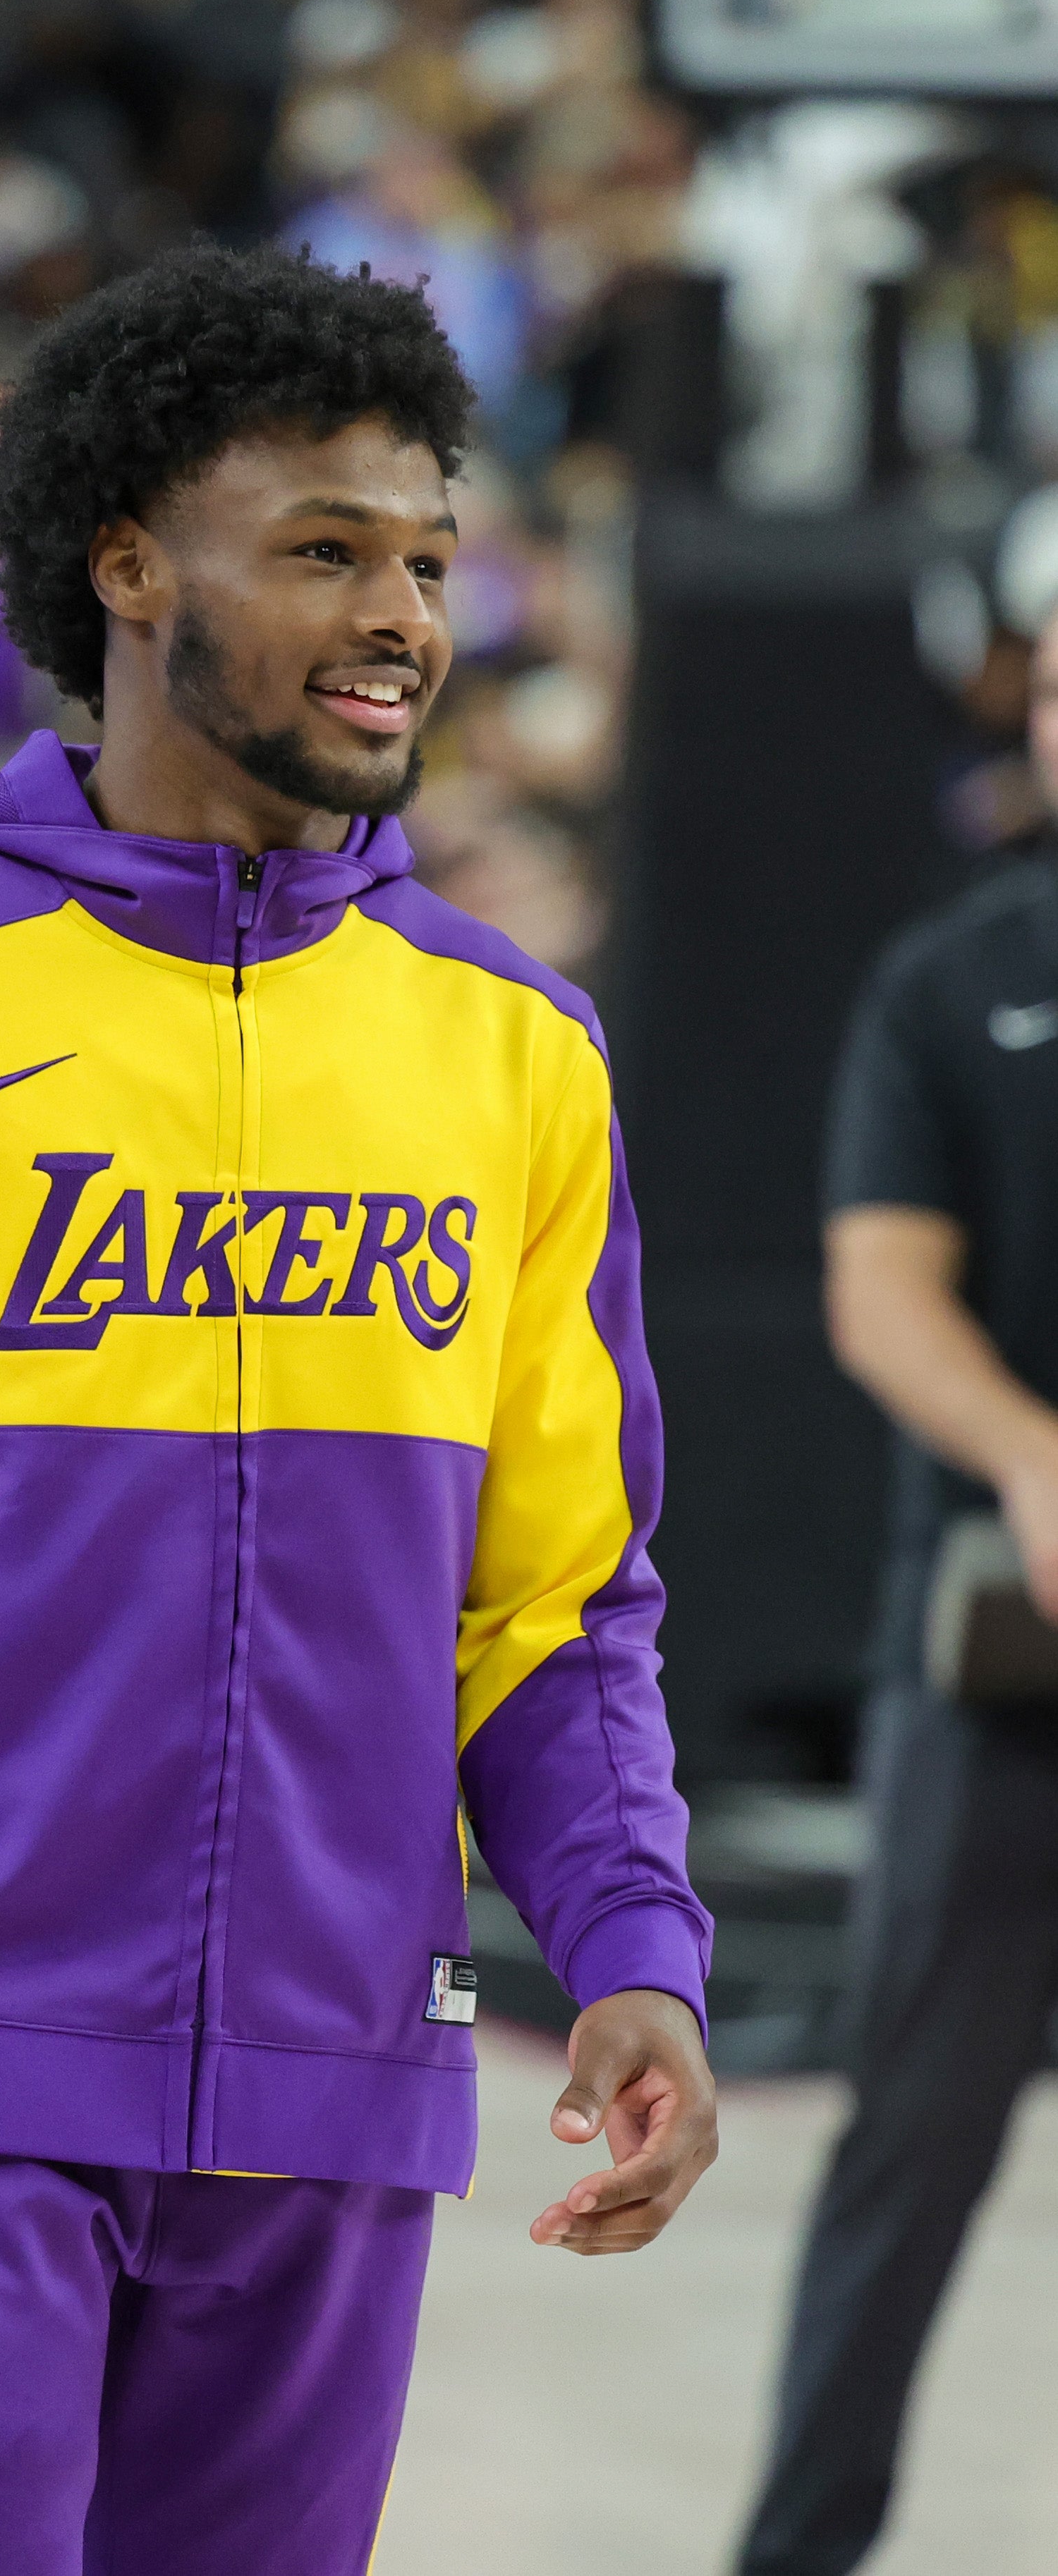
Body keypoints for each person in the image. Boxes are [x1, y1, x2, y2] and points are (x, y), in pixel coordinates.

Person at [0, 243, 719, 2573]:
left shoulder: (511, 1055)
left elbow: (555, 1603)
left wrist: (635, 1938)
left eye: (423, 557)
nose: (397, 614)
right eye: (320, 549)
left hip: (332, 2099)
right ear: (122, 564)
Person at [734, 602, 1058, 2576]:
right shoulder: (954, 984)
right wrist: (1028, 1449)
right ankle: (794, 2550)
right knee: (904, 2153)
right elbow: (878, 1286)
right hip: (995, 1673)